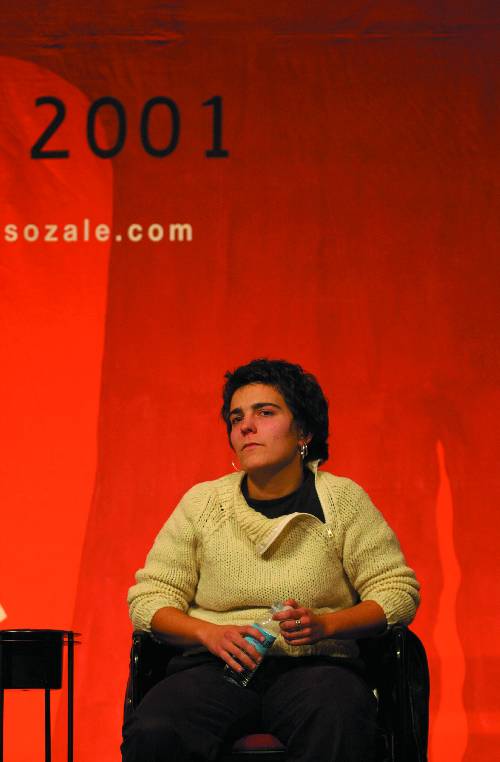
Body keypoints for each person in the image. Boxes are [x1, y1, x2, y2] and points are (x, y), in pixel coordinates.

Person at [122, 358, 420, 762]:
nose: (246, 426)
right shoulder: (203, 503)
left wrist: (327, 624)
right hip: (215, 669)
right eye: (236, 418)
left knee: (338, 718)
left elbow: (397, 592)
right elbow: (149, 599)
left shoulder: (341, 499)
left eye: (264, 413)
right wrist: (209, 633)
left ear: (304, 432)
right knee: (156, 728)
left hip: (316, 670)